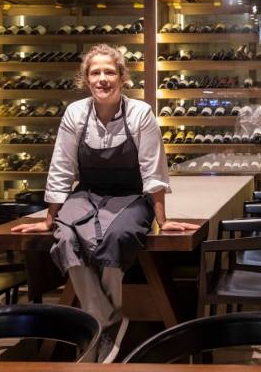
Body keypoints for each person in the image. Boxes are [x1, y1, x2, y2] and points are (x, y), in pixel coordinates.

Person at [11, 43, 199, 363]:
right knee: (65, 236)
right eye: (95, 72)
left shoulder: (140, 112)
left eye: (109, 72)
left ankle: (95, 325)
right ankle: (106, 320)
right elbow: (62, 166)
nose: (102, 79)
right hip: (86, 194)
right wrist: (48, 218)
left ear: (122, 78)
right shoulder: (76, 113)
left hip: (131, 195)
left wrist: (162, 219)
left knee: (118, 235)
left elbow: (153, 169)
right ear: (86, 79)